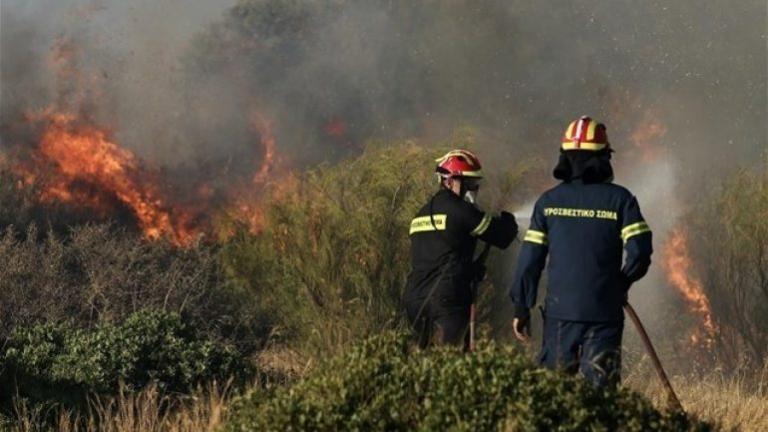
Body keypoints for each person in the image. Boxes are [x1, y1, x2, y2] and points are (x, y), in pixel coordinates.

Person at [510, 116, 653, 387]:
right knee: (601, 398)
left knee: (553, 394)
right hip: (603, 314)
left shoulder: (548, 202)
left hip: (560, 315)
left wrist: (521, 307)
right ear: (602, 158)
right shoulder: (621, 200)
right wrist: (620, 283)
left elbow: (530, 259)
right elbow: (640, 252)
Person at [404, 149, 517, 349]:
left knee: (424, 365)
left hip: (415, 299)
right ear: (450, 180)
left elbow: (439, 256)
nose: (472, 189)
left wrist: (468, 269)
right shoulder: (460, 210)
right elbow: (502, 236)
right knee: (451, 364)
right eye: (469, 183)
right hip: (447, 301)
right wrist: (508, 220)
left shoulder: (420, 214)